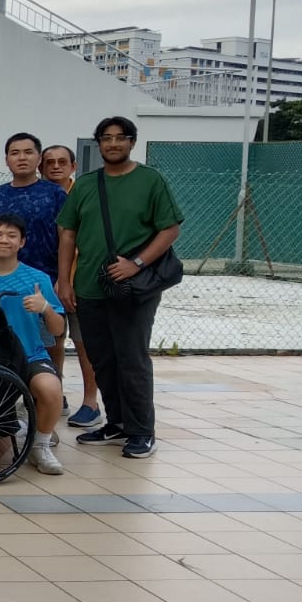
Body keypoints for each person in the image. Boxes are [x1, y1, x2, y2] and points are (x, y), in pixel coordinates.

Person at [57, 116, 182, 459]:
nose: (113, 144)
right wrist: (64, 279)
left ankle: (142, 431)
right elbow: (67, 233)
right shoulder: (85, 185)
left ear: (131, 142)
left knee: (132, 358)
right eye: (106, 138)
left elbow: (169, 228)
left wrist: (136, 264)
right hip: (89, 288)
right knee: (102, 359)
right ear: (98, 144)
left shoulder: (149, 180)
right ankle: (117, 423)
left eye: (120, 138)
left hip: (132, 288)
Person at [0, 214, 67, 475]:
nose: (4, 240)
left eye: (11, 236)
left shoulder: (38, 279)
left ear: (22, 242)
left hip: (30, 355)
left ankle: (40, 445)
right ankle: (22, 421)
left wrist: (45, 308)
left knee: (50, 387)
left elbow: (58, 329)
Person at [0, 132, 71, 379]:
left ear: (38, 158)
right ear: (6, 160)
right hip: (4, 276)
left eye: (28, 152)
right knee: (7, 333)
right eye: (15, 153)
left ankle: (53, 385)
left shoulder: (55, 193)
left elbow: (66, 237)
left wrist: (62, 278)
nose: (21, 158)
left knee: (51, 339)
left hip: (46, 278)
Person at [40, 143, 99, 425]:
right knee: (53, 341)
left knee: (84, 341)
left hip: (78, 279)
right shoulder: (41, 196)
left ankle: (91, 401)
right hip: (44, 280)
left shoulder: (85, 195)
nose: (56, 166)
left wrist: (67, 280)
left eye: (62, 161)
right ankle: (56, 393)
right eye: (49, 162)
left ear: (74, 166)